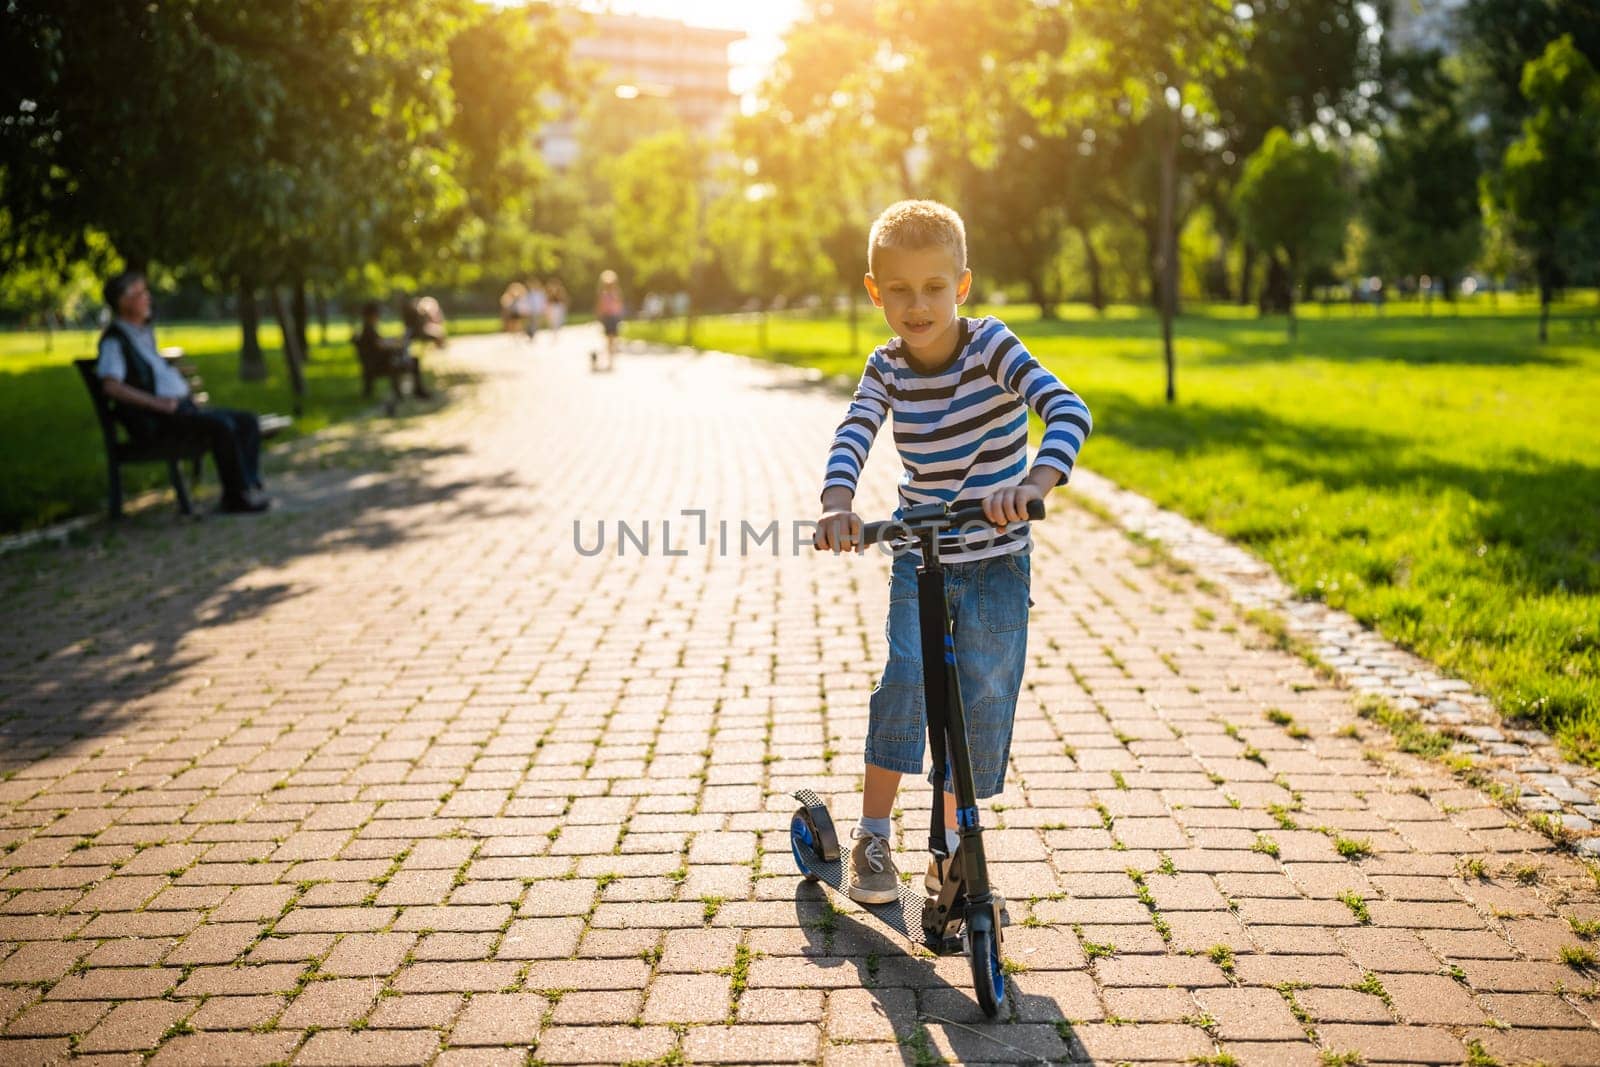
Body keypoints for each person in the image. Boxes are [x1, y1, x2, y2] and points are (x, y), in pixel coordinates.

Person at [812, 200, 1092, 906]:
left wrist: (1033, 481)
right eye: (899, 290)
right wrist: (838, 504)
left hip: (998, 554)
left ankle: (947, 855)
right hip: (924, 550)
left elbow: (1067, 409)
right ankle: (873, 833)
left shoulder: (990, 345)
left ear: (961, 286)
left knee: (980, 698)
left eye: (934, 287)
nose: (917, 304)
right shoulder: (886, 368)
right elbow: (855, 430)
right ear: (875, 291)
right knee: (909, 676)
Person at [96, 270, 271, 514]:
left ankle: (246, 488)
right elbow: (111, 386)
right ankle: (236, 497)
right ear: (122, 302)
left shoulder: (142, 333)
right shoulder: (115, 341)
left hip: (179, 409)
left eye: (146, 292)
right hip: (157, 420)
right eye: (139, 294)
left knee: (247, 421)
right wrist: (159, 404)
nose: (147, 298)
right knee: (222, 427)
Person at [356, 302, 431, 412]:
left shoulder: (368, 329)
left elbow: (380, 342)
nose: (378, 317)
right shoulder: (368, 330)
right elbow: (380, 345)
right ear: (372, 315)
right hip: (379, 365)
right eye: (377, 314)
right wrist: (395, 343)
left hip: (377, 363)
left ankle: (415, 391)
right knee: (411, 361)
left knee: (412, 360)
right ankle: (413, 392)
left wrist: (392, 341)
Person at [593, 269, 624, 370]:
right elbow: (600, 307)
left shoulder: (616, 293)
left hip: (613, 317)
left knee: (612, 340)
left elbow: (619, 306)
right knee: (609, 340)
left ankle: (610, 359)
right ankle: (609, 360)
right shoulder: (603, 294)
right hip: (607, 317)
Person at [522, 279, 547, 343]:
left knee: (535, 323)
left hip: (537, 311)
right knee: (529, 323)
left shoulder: (540, 293)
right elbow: (525, 302)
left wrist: (543, 310)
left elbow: (542, 302)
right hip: (530, 311)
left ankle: (532, 335)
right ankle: (530, 334)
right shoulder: (528, 293)